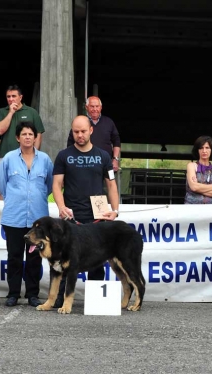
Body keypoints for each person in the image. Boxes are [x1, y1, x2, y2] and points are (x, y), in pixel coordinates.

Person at [52, 115, 119, 307]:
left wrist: (115, 210)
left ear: (91, 130)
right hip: (71, 218)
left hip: (97, 217)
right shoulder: (63, 155)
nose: (79, 135)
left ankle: (96, 300)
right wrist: (61, 207)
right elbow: (56, 185)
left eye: (83, 131)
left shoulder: (104, 156)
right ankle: (60, 299)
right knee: (65, 259)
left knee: (97, 259)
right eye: (75, 132)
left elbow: (111, 185)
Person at [0, 121, 53, 307]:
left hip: (38, 219)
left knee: (35, 257)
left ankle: (32, 294)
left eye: (31, 134)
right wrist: (15, 197)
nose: (28, 137)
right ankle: (13, 293)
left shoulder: (45, 159)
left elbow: (50, 185)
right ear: (17, 137)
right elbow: (2, 184)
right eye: (24, 134)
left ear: (36, 137)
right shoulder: (8, 159)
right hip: (14, 217)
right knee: (14, 256)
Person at [67, 96, 121, 172]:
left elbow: (116, 141)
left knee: (110, 182)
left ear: (101, 107)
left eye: (97, 106)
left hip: (106, 165)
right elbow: (70, 144)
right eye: (92, 106)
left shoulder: (109, 122)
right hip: (83, 165)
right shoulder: (80, 122)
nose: (95, 109)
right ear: (86, 107)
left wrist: (115, 159)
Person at [0, 84, 44, 156]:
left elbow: (38, 135)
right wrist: (10, 112)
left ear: (20, 97)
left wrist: (34, 155)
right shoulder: (1, 112)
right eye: (8, 96)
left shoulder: (32, 112)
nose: (11, 99)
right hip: (5, 156)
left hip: (26, 156)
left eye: (13, 96)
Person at [185, 136, 212, 204]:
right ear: (197, 150)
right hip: (192, 208)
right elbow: (194, 187)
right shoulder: (191, 166)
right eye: (201, 148)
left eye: (207, 148)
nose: (204, 151)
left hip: (210, 209)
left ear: (211, 150)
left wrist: (199, 188)